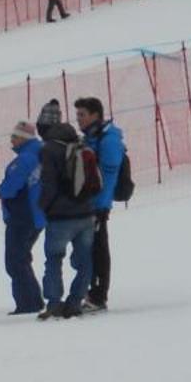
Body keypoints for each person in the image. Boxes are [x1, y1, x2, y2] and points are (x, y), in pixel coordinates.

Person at [37, 117, 99, 318]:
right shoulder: (80, 144)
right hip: (86, 212)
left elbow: (49, 184)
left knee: (54, 259)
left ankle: (54, 302)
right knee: (85, 260)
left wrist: (43, 207)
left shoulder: (49, 150)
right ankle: (75, 301)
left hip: (60, 216)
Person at [76, 97, 125, 312]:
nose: (79, 119)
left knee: (98, 248)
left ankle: (98, 295)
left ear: (95, 115)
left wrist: (101, 204)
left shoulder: (108, 139)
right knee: (89, 248)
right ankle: (92, 291)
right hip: (89, 203)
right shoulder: (91, 138)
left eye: (82, 115)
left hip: (98, 205)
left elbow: (109, 174)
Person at [0, 118, 48, 314]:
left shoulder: (26, 158)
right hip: (37, 214)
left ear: (23, 138)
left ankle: (28, 302)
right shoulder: (40, 152)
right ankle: (33, 299)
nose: (11, 141)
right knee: (22, 258)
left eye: (14, 137)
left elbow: (11, 188)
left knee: (15, 260)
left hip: (23, 215)